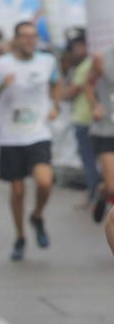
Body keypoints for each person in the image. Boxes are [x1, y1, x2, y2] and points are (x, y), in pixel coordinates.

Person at [0, 21, 62, 261]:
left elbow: (56, 82)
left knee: (45, 182)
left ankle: (37, 216)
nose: (30, 41)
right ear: (16, 39)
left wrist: (55, 105)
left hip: (38, 132)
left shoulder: (47, 61)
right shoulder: (2, 64)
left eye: (33, 36)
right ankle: (20, 236)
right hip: (11, 136)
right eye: (25, 37)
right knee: (17, 190)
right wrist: (0, 86)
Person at [65, 33, 98, 207]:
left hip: (85, 119)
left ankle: (92, 195)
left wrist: (65, 92)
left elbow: (72, 92)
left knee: (89, 160)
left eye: (78, 46)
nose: (75, 51)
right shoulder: (93, 64)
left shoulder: (86, 66)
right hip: (93, 120)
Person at [85, 46, 114, 223]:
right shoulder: (102, 56)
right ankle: (104, 194)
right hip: (107, 129)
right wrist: (95, 105)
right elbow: (88, 84)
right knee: (113, 188)